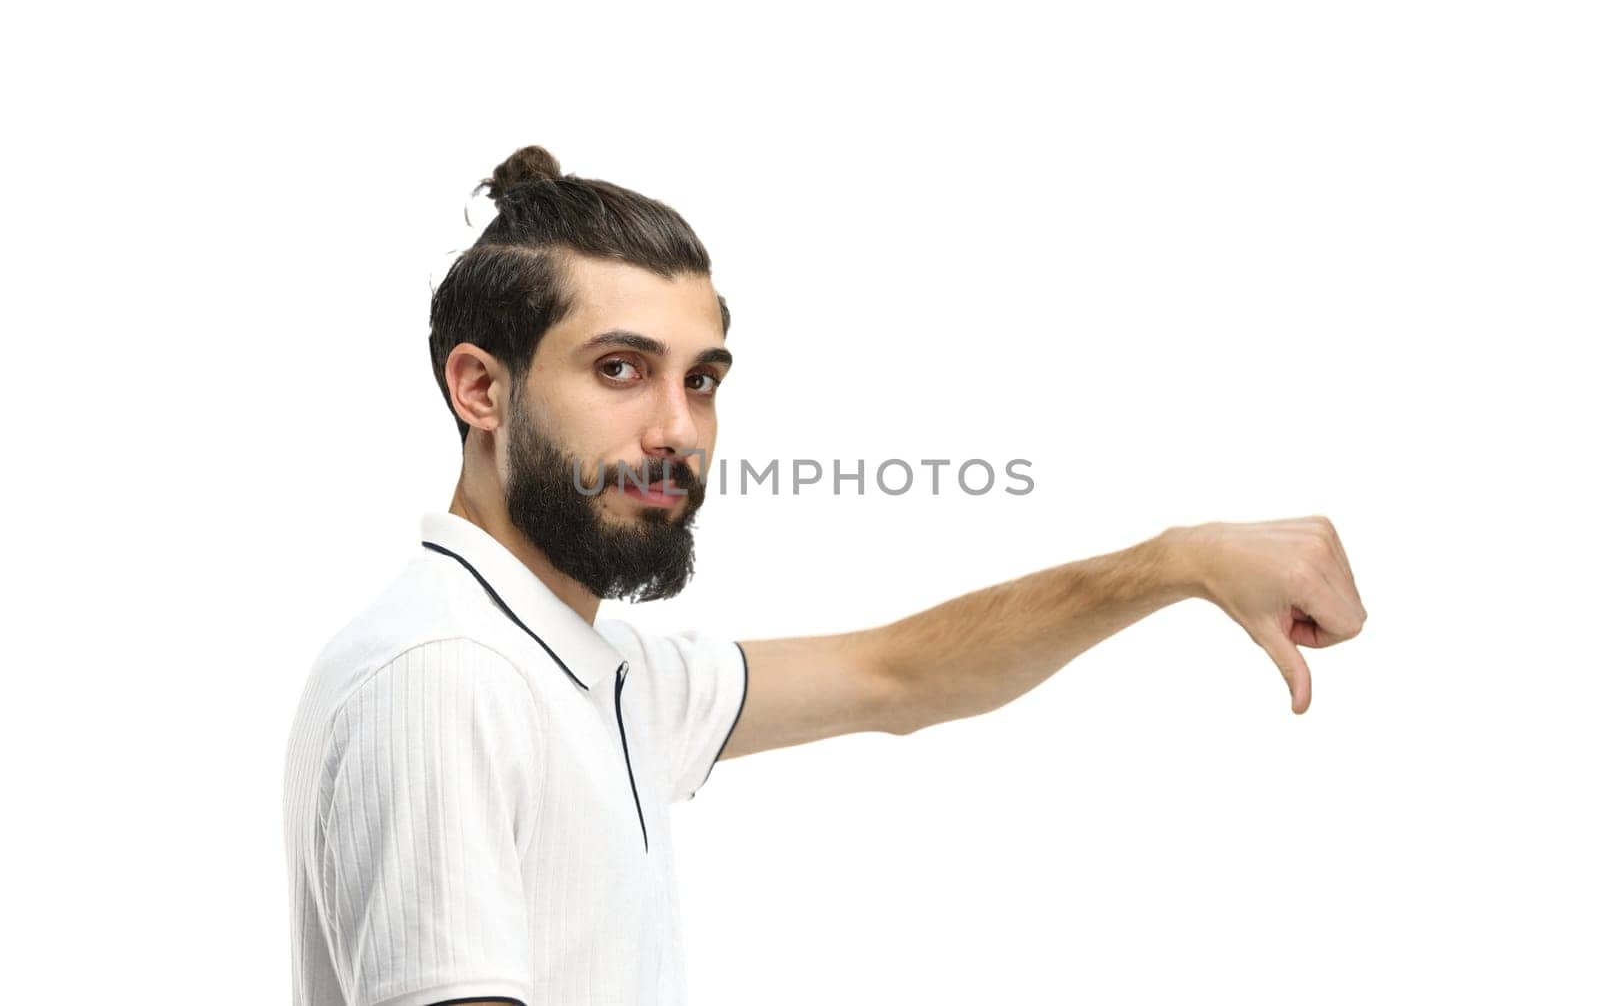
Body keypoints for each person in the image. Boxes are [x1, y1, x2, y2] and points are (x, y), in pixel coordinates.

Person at [281, 145, 1368, 1006]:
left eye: (700, 379)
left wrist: (1175, 561)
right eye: (619, 369)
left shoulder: (594, 674)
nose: (676, 426)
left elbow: (902, 673)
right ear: (479, 386)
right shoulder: (447, 674)